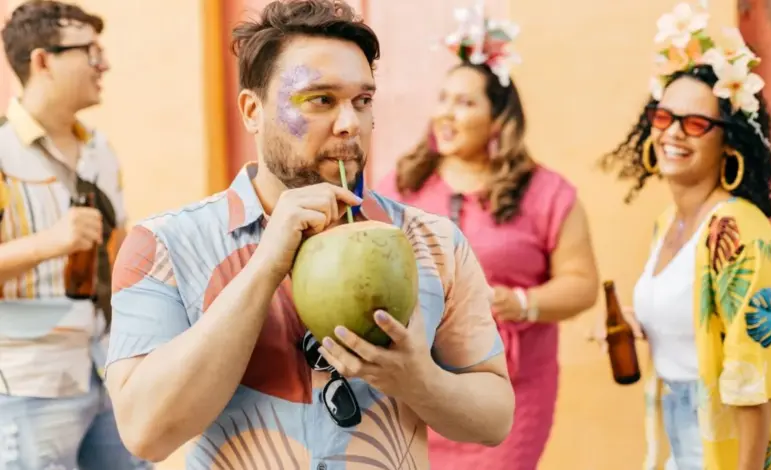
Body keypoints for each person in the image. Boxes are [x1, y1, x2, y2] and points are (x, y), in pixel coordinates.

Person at [104, 1, 515, 468]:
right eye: (321, 100)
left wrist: (419, 381)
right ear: (252, 110)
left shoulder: (433, 242)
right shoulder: (164, 245)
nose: (349, 124)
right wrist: (265, 266)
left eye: (362, 101)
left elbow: (494, 419)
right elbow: (145, 433)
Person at [377, 4, 599, 469]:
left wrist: (520, 302)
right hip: (419, 390)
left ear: (498, 120)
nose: (446, 112)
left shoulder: (546, 193)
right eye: (444, 98)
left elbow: (581, 284)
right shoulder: (403, 185)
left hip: (511, 395)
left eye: (465, 102)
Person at [597, 2, 771, 469]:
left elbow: (753, 383)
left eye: (696, 123)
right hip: (675, 441)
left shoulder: (736, 230)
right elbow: (694, 322)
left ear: (728, 141)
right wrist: (639, 322)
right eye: (664, 117)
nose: (674, 134)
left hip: (725, 448)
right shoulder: (669, 223)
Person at [0, 1, 148, 469]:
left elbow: (119, 248)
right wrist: (52, 242)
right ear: (42, 61)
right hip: (27, 387)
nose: (103, 64)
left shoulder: (100, 149)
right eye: (90, 52)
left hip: (109, 369)